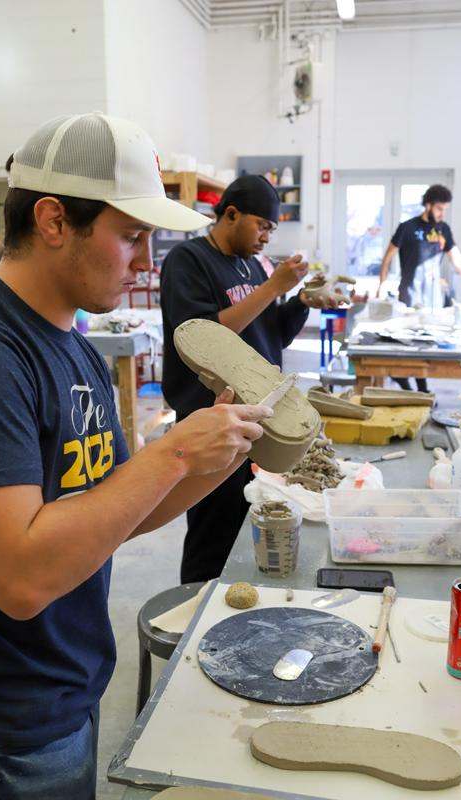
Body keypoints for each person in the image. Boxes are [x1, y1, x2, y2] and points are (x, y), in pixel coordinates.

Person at [0, 113, 272, 799]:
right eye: (130, 235)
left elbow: (121, 514)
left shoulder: (76, 348)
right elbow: (18, 577)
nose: (146, 259)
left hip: (64, 696)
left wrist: (216, 446)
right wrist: (172, 455)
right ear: (51, 221)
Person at [161, 174, 329, 584]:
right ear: (231, 214)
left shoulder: (253, 265)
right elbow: (204, 337)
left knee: (249, 518)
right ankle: (196, 609)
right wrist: (273, 286)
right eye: (263, 225)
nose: (267, 237)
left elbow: (270, 334)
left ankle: (237, 606)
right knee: (213, 527)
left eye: (272, 229)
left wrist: (300, 301)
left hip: (258, 413)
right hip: (211, 415)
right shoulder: (189, 260)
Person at [377, 184, 461, 391]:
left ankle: (421, 389)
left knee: (427, 347)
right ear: (428, 205)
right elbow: (387, 259)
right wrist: (381, 287)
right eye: (439, 208)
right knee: (406, 347)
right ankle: (408, 385)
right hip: (409, 297)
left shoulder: (443, 229)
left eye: (444, 209)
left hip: (433, 299)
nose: (442, 213)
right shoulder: (407, 227)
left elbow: (457, 260)